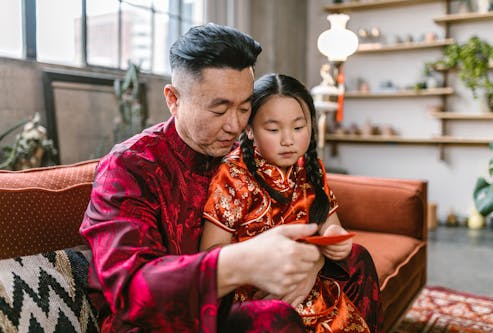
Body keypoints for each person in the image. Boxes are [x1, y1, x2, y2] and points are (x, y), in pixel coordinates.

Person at [80, 23, 324, 332]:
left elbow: (297, 214)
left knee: (354, 261)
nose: (235, 126)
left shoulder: (246, 156)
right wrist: (238, 263)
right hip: (162, 324)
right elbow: (131, 291)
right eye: (219, 110)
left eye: (245, 108)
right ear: (173, 99)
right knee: (273, 319)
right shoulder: (129, 167)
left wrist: (311, 260)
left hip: (237, 305)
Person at [201, 73, 382, 333]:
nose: (288, 140)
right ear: (249, 130)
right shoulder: (234, 175)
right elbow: (209, 253)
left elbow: (332, 228)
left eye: (298, 127)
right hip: (255, 289)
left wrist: (335, 242)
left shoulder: (310, 168)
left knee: (359, 256)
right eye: (273, 130)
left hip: (304, 273)